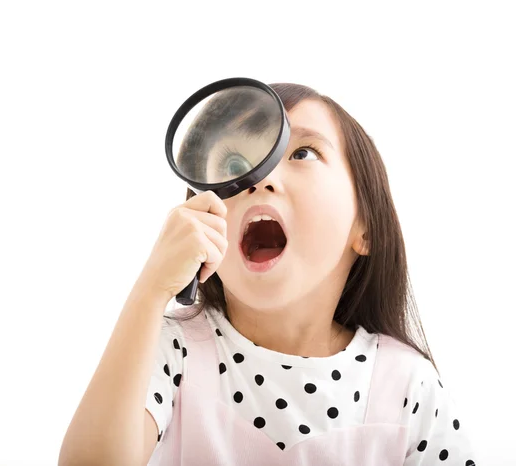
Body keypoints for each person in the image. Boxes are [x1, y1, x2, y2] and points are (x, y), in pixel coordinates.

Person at [58, 83, 477, 465]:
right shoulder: (175, 350)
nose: (261, 179)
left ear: (364, 226)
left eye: (301, 153)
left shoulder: (407, 387)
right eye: (235, 162)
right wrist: (151, 289)